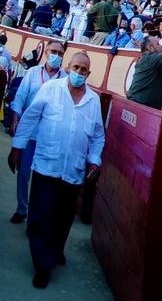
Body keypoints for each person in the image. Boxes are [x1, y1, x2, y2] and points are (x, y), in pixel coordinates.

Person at [10, 51, 103, 288]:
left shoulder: (93, 101)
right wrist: (17, 147)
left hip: (72, 171)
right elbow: (30, 118)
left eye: (84, 70)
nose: (79, 73)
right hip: (46, 165)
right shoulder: (51, 89)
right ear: (68, 67)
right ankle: (42, 265)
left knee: (63, 218)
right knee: (40, 217)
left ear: (89, 74)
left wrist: (94, 160)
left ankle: (55, 250)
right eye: (76, 68)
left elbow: (97, 135)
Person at [8, 40, 65, 224]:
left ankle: (35, 216)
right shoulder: (33, 73)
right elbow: (20, 97)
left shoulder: (65, 78)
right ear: (46, 52)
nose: (57, 55)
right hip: (29, 132)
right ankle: (22, 208)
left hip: (49, 136)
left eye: (60, 53)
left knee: (43, 179)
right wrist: (15, 119)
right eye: (54, 51)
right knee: (23, 173)